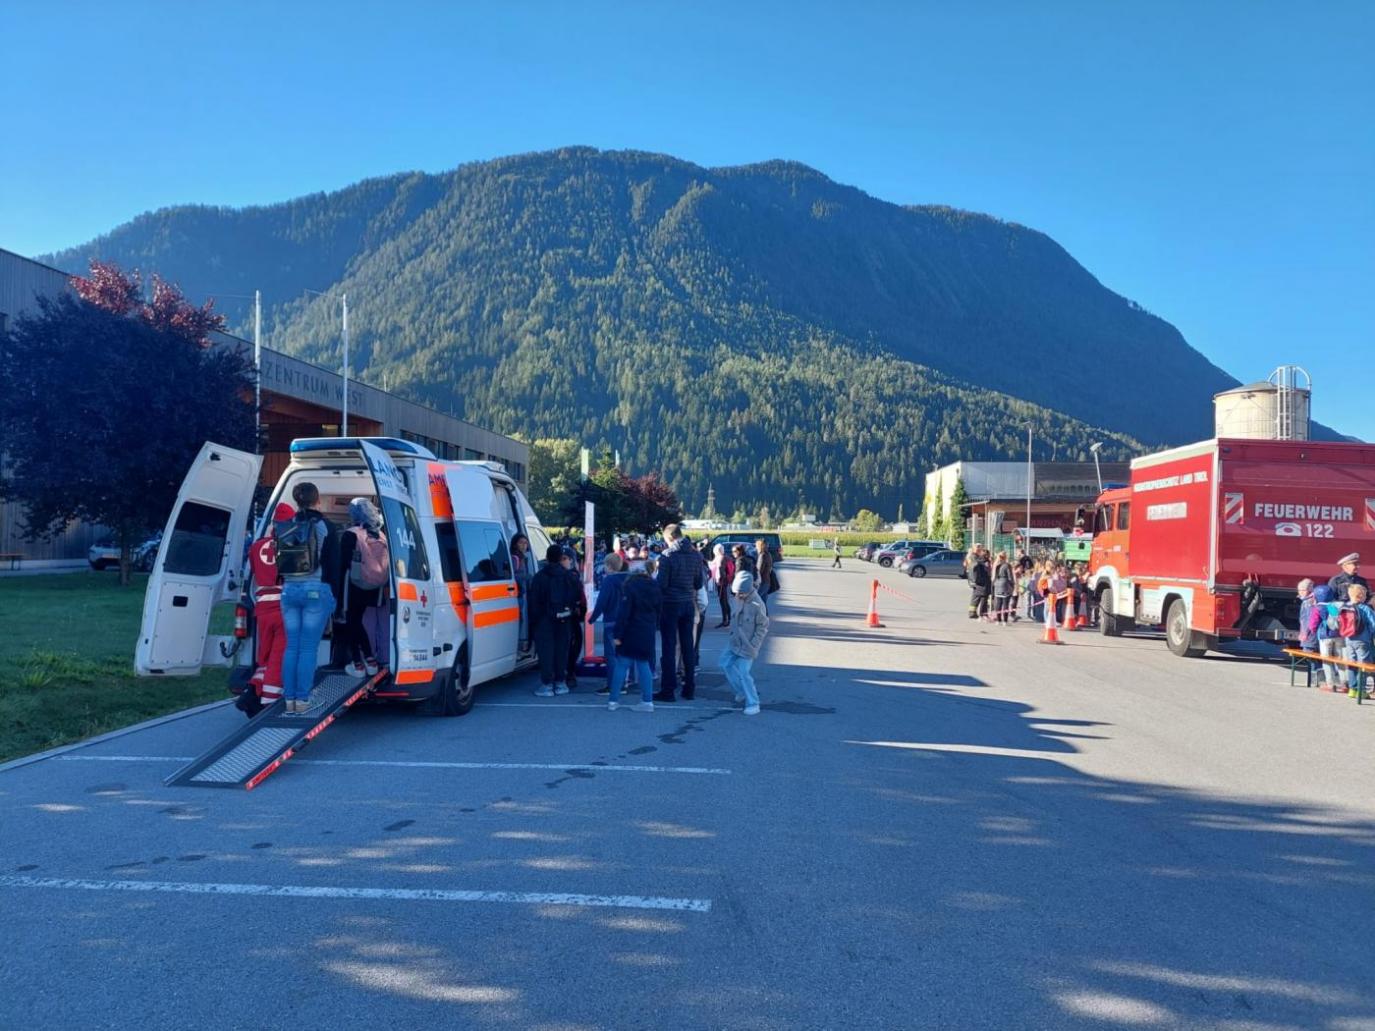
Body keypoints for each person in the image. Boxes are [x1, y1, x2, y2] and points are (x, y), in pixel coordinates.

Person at [277, 482, 339, 715]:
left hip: (289, 591)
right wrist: (334, 600)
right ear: (317, 500)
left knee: (291, 647)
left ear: (296, 500)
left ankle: (289, 699)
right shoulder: (325, 526)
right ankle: (303, 699)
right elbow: (334, 565)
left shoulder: (287, 525)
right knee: (308, 648)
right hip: (315, 590)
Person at [242, 503, 294, 713]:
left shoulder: (256, 546)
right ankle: (268, 703)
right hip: (283, 609)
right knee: (278, 657)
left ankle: (253, 691)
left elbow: (254, 574)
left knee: (264, 655)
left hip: (262, 609)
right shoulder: (292, 546)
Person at [335, 497, 388, 678]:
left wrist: (337, 592)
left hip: (353, 585)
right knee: (356, 621)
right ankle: (370, 661)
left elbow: (342, 564)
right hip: (373, 586)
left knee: (351, 623)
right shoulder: (380, 535)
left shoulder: (351, 534)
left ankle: (358, 664)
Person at [654, 523, 704, 703]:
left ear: (669, 538)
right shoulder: (696, 555)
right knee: (688, 646)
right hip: (688, 604)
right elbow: (699, 584)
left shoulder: (667, 556)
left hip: (670, 604)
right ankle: (689, 688)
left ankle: (668, 689)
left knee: (669, 647)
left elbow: (661, 585)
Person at [608, 558, 662, 712]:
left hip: (631, 630)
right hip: (647, 630)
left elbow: (624, 613)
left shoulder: (630, 586)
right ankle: (647, 701)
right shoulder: (655, 586)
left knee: (622, 664)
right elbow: (659, 610)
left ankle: (613, 700)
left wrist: (617, 634)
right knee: (644, 664)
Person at [529, 544, 581, 698]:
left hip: (545, 619)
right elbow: (576, 595)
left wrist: (535, 619)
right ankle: (560, 682)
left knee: (546, 651)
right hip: (564, 618)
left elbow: (534, 601)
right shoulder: (568, 576)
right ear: (560, 558)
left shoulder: (539, 577)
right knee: (561, 650)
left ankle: (546, 684)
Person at [720, 571, 770, 716]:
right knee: (725, 664)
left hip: (748, 645)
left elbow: (763, 627)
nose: (737, 595)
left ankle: (753, 703)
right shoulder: (738, 597)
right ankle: (741, 691)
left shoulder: (757, 604)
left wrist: (753, 644)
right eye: (736, 592)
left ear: (748, 590)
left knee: (744, 672)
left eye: (740, 593)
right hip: (735, 641)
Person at [589, 553, 628, 695]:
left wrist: (592, 618)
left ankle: (612, 685)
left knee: (611, 656)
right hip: (626, 622)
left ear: (609, 567)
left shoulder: (609, 581)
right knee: (623, 655)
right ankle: (623, 683)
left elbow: (602, 602)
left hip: (611, 621)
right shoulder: (628, 579)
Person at [1338, 583, 1374, 699]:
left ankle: (1352, 689)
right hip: (1363, 641)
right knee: (1363, 665)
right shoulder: (1365, 608)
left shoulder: (1345, 607)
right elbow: (1373, 624)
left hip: (1349, 640)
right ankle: (1361, 691)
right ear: (1361, 596)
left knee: (1351, 664)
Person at [562, 549, 588, 692]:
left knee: (575, 643)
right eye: (562, 558)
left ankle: (570, 672)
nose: (563, 561)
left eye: (565, 558)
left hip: (571, 616)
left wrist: (580, 611)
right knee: (568, 645)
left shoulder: (574, 576)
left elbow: (581, 598)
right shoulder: (566, 576)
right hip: (561, 616)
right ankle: (566, 673)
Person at [511, 533, 533, 655]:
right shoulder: (515, 558)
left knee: (521, 620)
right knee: (518, 621)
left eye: (525, 543)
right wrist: (528, 577)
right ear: (515, 544)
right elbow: (513, 575)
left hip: (521, 593)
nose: (524, 545)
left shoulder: (522, 557)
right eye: (521, 543)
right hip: (517, 594)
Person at [710, 543, 735, 628]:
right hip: (726, 582)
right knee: (725, 601)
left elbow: (721, 570)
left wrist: (720, 579)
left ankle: (725, 620)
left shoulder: (720, 558)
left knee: (723, 601)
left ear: (717, 551)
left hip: (721, 583)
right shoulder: (726, 557)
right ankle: (729, 619)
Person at [967, 549, 991, 620]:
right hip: (984, 583)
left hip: (976, 583)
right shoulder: (985, 562)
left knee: (975, 599)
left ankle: (972, 613)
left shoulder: (976, 561)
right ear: (986, 555)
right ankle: (983, 613)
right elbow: (988, 572)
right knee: (984, 598)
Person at [991, 551, 1014, 624]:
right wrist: (1012, 585)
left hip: (997, 583)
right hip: (1005, 583)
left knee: (998, 603)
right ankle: (1005, 620)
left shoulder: (996, 565)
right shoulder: (1007, 565)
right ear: (1005, 557)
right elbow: (1010, 577)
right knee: (1005, 603)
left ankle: (998, 620)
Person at [756, 539, 775, 611]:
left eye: (757, 546)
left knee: (756, 600)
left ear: (760, 546)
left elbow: (759, 571)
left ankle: (760, 619)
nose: (756, 548)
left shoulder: (762, 555)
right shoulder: (768, 554)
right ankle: (765, 619)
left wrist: (755, 581)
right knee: (763, 602)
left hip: (762, 582)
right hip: (767, 581)